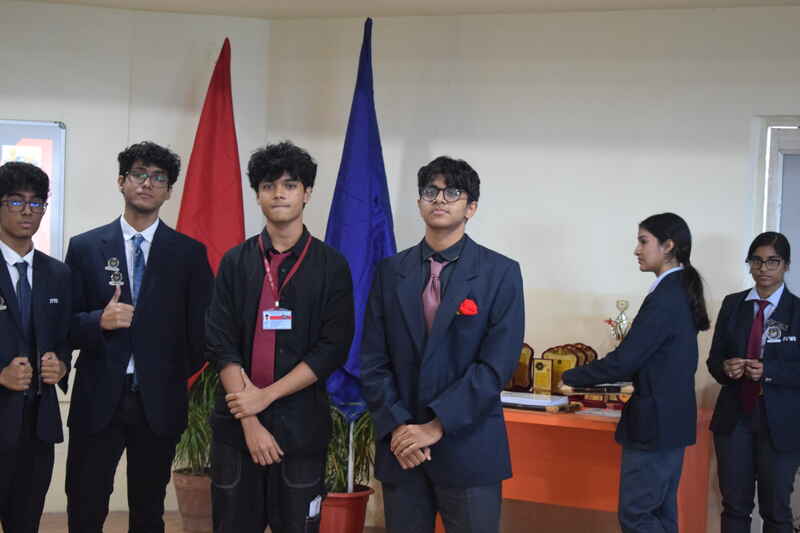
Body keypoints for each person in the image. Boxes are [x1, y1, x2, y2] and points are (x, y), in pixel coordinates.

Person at [361, 156, 525, 533]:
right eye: (430, 191)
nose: (439, 199)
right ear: (419, 202)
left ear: (471, 207)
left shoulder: (500, 273)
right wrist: (401, 428)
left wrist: (435, 426)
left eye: (452, 192)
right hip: (403, 450)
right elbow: (372, 359)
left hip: (468, 447)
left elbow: (496, 365)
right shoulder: (390, 272)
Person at [205, 141, 354, 533]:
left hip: (301, 431)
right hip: (237, 430)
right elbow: (220, 343)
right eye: (268, 186)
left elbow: (333, 348)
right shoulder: (235, 262)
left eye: (290, 185)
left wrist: (266, 396)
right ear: (257, 195)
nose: (278, 194)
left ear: (307, 193)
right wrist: (250, 418)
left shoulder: (331, 266)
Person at [64, 141, 213, 533]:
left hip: (158, 402)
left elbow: (201, 334)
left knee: (148, 511)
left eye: (158, 178)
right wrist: (98, 320)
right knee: (85, 506)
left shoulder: (189, 254)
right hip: (98, 398)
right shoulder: (85, 247)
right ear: (121, 181)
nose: (147, 184)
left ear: (168, 190)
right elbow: (64, 326)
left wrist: (165, 372)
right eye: (139, 174)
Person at [561, 212, 710, 533]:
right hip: (671, 419)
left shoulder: (666, 296)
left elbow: (625, 361)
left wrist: (568, 376)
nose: (636, 250)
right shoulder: (678, 289)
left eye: (644, 241)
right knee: (661, 515)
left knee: (637, 516)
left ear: (668, 246)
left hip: (655, 423)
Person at [707, 231, 800, 533]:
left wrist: (769, 371)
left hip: (781, 424)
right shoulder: (733, 304)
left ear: (786, 265)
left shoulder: (797, 310)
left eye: (773, 261)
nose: (763, 268)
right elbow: (714, 360)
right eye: (756, 261)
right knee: (735, 507)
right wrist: (726, 368)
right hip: (735, 418)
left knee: (776, 511)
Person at [0, 162, 71, 533]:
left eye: (36, 202)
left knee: (25, 523)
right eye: (15, 201)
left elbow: (63, 340)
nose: (27, 211)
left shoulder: (58, 273)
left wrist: (61, 366)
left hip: (37, 425)